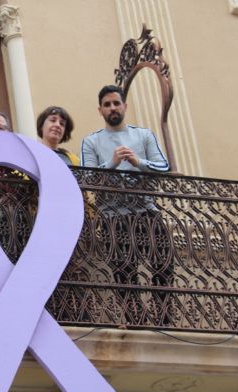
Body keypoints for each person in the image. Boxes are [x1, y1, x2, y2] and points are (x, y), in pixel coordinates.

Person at [81, 84, 173, 324]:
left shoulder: (143, 135)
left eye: (116, 103)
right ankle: (136, 321)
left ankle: (164, 317)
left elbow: (164, 167)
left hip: (146, 211)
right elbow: (87, 178)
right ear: (100, 110)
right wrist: (111, 163)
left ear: (125, 106)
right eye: (107, 104)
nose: (113, 108)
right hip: (112, 216)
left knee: (163, 263)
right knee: (124, 271)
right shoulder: (91, 141)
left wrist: (138, 161)